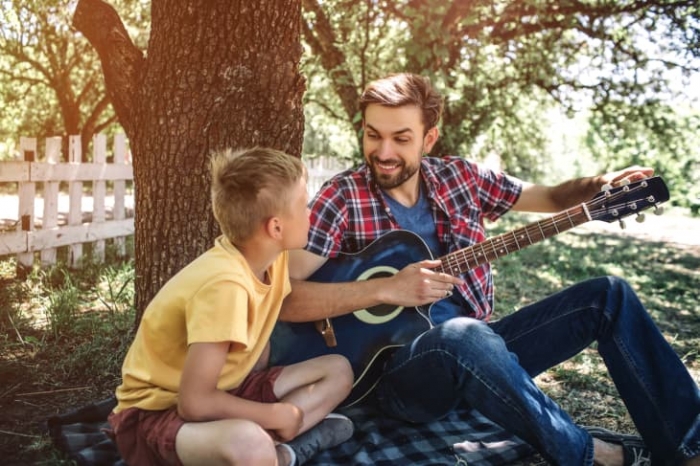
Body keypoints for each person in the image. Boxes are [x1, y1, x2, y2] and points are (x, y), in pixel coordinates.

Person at [279, 73, 700, 465]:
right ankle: (586, 454)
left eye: (400, 139)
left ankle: (686, 446)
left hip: (486, 358)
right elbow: (286, 297)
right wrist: (386, 289)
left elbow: (550, 197)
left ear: (429, 138)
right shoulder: (343, 197)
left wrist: (599, 187)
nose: (383, 152)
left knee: (608, 296)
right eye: (373, 135)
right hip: (399, 381)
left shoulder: (461, 178)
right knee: (464, 337)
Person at [108, 147, 354, 466]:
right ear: (276, 228)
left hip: (226, 392)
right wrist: (274, 413)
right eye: (304, 205)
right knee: (248, 444)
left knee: (338, 370)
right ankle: (279, 452)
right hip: (156, 415)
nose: (311, 214)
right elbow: (193, 404)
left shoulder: (272, 259)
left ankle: (275, 450)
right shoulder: (225, 286)